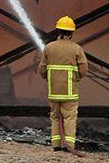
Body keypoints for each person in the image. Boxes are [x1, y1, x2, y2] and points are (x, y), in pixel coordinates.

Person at [38, 16, 88, 154]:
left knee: (55, 117)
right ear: (71, 33)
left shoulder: (48, 48)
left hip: (53, 91)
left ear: (57, 30)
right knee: (69, 118)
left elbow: (42, 69)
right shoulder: (77, 49)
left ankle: (56, 145)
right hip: (70, 92)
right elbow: (83, 70)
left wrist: (48, 78)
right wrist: (76, 77)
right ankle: (69, 146)